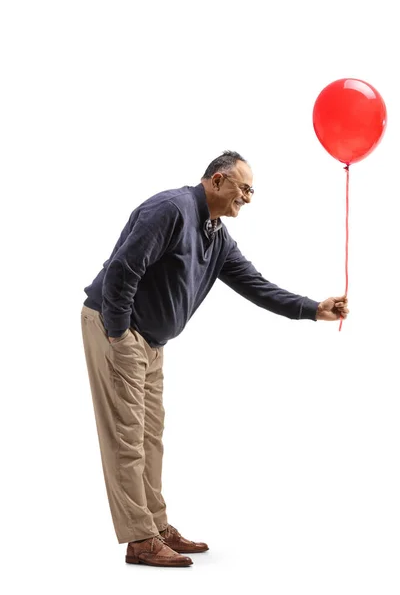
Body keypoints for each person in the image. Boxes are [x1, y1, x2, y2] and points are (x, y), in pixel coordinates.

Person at [80, 150, 349, 568]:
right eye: (245, 187)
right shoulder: (171, 209)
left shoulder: (216, 234)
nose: (248, 197)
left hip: (151, 340)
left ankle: (155, 525)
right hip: (119, 330)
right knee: (126, 436)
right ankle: (139, 539)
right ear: (218, 181)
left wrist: (315, 308)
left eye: (251, 189)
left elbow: (255, 285)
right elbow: (122, 270)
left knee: (151, 436)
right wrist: (118, 334)